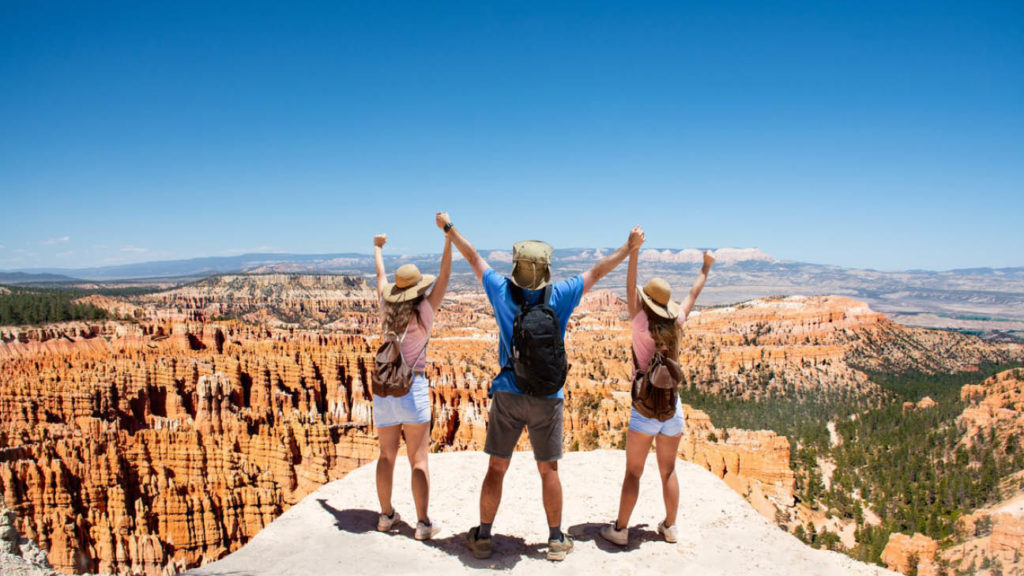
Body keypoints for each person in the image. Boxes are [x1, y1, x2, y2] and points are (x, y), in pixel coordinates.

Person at [437, 211, 643, 561]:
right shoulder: (561, 294)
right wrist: (629, 246)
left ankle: (484, 537)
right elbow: (597, 270)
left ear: (517, 266)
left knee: (497, 467)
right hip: (549, 395)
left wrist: (448, 228)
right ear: (546, 269)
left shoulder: (500, 290)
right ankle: (555, 540)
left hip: (508, 391)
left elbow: (472, 256)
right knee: (549, 469)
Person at [600, 238, 715, 547]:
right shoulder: (677, 322)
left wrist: (633, 251)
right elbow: (693, 292)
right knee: (668, 471)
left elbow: (630, 285)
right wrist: (706, 266)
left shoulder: (640, 323)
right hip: (671, 408)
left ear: (646, 301)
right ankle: (670, 526)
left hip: (644, 408)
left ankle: (621, 530)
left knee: (634, 473)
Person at [370, 214, 452, 541]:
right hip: (413, 387)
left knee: (386, 455)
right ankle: (422, 523)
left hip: (385, 388)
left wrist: (377, 247)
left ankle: (386, 516)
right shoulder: (425, 312)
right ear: (419, 289)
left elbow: (379, 275)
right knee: (419, 459)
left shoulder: (385, 307)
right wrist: (448, 236)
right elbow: (445, 274)